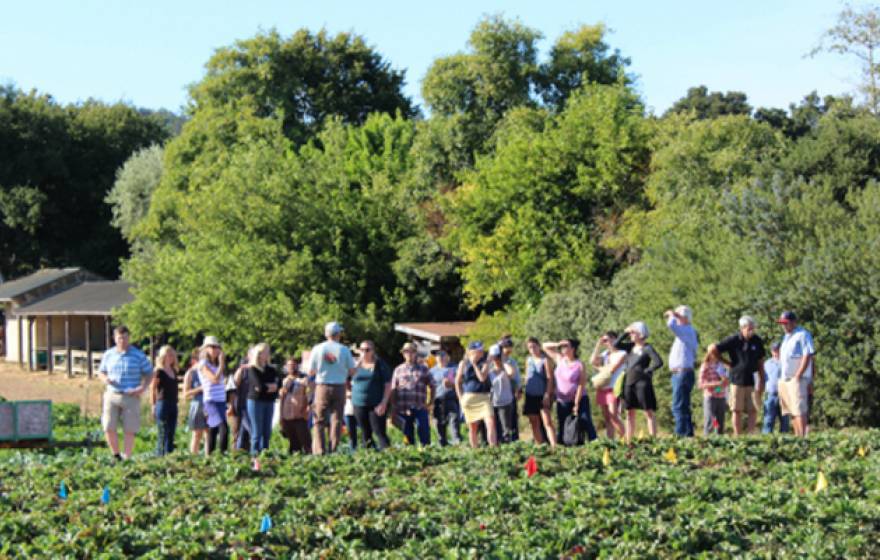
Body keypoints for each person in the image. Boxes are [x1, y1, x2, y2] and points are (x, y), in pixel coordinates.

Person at [97, 325, 153, 461]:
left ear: (129, 338)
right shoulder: (109, 354)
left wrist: (143, 387)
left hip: (131, 395)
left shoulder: (138, 355)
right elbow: (101, 371)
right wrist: (106, 379)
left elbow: (149, 373)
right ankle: (116, 455)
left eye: (125, 338)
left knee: (130, 428)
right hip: (112, 394)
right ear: (115, 339)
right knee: (108, 426)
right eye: (120, 338)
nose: (122, 340)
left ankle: (127, 457)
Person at [709, 316, 765, 436]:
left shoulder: (757, 340)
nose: (752, 331)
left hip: (753, 379)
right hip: (736, 379)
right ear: (742, 328)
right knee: (736, 409)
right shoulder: (734, 339)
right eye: (749, 328)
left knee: (753, 409)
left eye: (753, 328)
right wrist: (726, 362)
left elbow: (761, 361)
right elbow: (713, 348)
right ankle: (737, 435)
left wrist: (762, 379)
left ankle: (750, 435)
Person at [308, 322, 356, 455]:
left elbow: (311, 371)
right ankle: (333, 449)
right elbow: (352, 372)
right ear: (338, 334)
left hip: (322, 386)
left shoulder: (318, 348)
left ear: (326, 334)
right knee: (337, 420)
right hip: (339, 386)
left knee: (319, 420)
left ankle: (319, 450)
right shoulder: (344, 350)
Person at [614, 323, 663, 444]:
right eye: (630, 334)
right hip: (629, 383)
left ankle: (653, 440)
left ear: (640, 334)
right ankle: (629, 441)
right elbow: (616, 344)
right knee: (629, 412)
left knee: (648, 411)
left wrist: (648, 371)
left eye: (633, 333)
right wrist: (625, 332)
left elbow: (658, 362)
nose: (631, 335)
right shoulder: (630, 347)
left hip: (642, 383)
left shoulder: (647, 348)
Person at [543, 339, 598, 446]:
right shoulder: (560, 359)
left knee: (585, 420)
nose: (563, 348)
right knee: (563, 423)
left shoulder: (579, 364)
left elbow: (581, 384)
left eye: (566, 346)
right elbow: (544, 346)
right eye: (562, 347)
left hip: (579, 398)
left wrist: (576, 403)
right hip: (562, 400)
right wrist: (558, 343)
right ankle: (564, 446)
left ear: (573, 349)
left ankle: (594, 443)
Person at [777, 311, 815, 438]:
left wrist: (798, 375)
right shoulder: (786, 337)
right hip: (785, 378)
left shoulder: (802, 335)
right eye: (782, 323)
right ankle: (797, 436)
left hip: (798, 378)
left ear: (793, 322)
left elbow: (807, 354)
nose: (784, 326)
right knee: (791, 410)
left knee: (799, 409)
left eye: (786, 323)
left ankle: (803, 437)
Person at [455, 341, 498, 448]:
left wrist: (474, 364)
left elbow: (482, 378)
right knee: (473, 427)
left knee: (490, 422)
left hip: (483, 398)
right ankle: (475, 450)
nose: (481, 352)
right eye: (478, 350)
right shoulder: (463, 363)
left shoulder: (485, 362)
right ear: (471, 351)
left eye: (481, 350)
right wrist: (460, 398)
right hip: (469, 397)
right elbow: (457, 381)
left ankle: (493, 448)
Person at [392, 342, 436, 446]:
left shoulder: (423, 369)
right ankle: (410, 456)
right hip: (404, 408)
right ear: (403, 354)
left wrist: (430, 403)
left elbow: (433, 385)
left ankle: (427, 454)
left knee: (424, 432)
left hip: (420, 407)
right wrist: (394, 407)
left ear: (416, 353)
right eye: (406, 351)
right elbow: (393, 389)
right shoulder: (398, 370)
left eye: (412, 351)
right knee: (407, 435)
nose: (409, 354)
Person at [351, 340, 393, 450]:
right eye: (362, 349)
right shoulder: (355, 364)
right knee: (365, 433)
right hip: (359, 403)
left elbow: (388, 384)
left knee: (379, 431)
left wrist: (384, 402)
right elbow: (346, 377)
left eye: (367, 350)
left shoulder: (380, 364)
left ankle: (389, 454)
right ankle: (369, 456)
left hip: (376, 404)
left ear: (373, 351)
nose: (364, 352)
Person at [665, 306, 698, 437]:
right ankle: (688, 433)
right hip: (681, 373)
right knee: (683, 405)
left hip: (682, 373)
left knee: (677, 406)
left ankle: (680, 434)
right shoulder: (687, 332)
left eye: (679, 316)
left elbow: (671, 325)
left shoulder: (686, 331)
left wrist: (672, 315)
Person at [244, 343, 279, 455]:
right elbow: (259, 386)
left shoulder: (271, 369)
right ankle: (254, 456)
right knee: (256, 431)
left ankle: (265, 454)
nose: (268, 354)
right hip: (255, 401)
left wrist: (269, 387)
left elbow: (277, 385)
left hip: (269, 402)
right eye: (265, 351)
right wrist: (269, 387)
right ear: (259, 354)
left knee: (267, 431)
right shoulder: (252, 369)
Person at [589, 332, 626, 439]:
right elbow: (592, 361)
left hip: (613, 387)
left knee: (613, 415)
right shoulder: (605, 354)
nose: (606, 343)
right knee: (607, 417)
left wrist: (600, 368)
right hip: (603, 387)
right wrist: (598, 345)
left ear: (615, 339)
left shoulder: (622, 353)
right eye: (604, 341)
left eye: (608, 340)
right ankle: (611, 441)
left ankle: (625, 439)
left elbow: (612, 370)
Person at [523, 337, 557, 447]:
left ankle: (554, 446)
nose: (532, 349)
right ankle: (539, 445)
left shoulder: (545, 360)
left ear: (538, 346)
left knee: (547, 421)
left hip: (542, 394)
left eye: (534, 346)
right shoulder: (528, 360)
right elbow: (527, 376)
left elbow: (549, 378)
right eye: (530, 347)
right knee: (534, 422)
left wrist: (547, 394)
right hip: (530, 394)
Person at [198, 336, 228, 454]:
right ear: (206, 349)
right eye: (212, 347)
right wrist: (221, 364)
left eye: (217, 347)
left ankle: (210, 455)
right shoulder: (203, 364)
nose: (215, 349)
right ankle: (222, 455)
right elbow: (214, 379)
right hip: (211, 400)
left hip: (221, 400)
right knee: (223, 428)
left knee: (213, 429)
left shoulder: (216, 365)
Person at [150, 345, 179, 456]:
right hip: (162, 403)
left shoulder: (173, 371)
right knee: (163, 432)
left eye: (172, 355)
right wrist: (153, 405)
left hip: (173, 404)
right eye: (168, 354)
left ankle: (169, 455)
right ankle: (160, 456)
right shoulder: (159, 371)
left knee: (171, 433)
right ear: (163, 356)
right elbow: (153, 389)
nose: (171, 357)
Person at [429, 350, 462, 446]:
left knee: (454, 421)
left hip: (452, 399)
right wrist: (430, 402)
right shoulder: (431, 371)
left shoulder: (454, 368)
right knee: (439, 423)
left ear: (448, 356)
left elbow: (461, 381)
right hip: (438, 401)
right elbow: (429, 388)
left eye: (443, 355)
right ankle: (442, 444)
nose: (440, 357)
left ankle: (457, 442)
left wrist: (451, 384)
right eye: (438, 355)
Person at [486, 344, 517, 443]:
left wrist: (503, 361)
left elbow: (511, 373)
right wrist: (489, 361)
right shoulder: (489, 369)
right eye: (494, 357)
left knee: (506, 429)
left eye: (497, 357)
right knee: (494, 428)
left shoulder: (506, 367)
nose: (495, 359)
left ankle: (507, 447)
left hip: (505, 403)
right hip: (492, 402)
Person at [182, 347, 208, 454]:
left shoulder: (209, 371)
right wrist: (200, 389)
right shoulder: (191, 373)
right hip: (197, 405)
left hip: (209, 404)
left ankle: (208, 459)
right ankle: (193, 459)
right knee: (197, 434)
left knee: (209, 434)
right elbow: (185, 394)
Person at [698, 349, 729, 436]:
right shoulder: (705, 366)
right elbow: (700, 384)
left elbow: (725, 383)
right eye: (714, 353)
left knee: (720, 423)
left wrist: (720, 386)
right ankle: (707, 440)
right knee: (710, 421)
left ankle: (719, 441)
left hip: (721, 397)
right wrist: (715, 384)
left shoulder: (722, 366)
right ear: (709, 353)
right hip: (710, 397)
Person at [762, 343, 790, 434]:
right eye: (774, 350)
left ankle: (785, 443)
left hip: (784, 395)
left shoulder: (787, 362)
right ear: (771, 351)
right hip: (771, 395)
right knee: (768, 420)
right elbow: (762, 378)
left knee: (785, 421)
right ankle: (766, 441)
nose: (776, 352)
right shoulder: (766, 363)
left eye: (777, 349)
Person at [499, 336, 521, 441]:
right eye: (506, 347)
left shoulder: (512, 362)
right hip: (497, 393)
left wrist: (518, 390)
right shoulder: (495, 361)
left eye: (509, 347)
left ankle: (514, 439)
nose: (508, 349)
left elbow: (516, 378)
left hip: (510, 391)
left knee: (512, 417)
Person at [230, 356, 252, 452]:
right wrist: (231, 406)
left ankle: (245, 456)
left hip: (250, 407)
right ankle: (235, 457)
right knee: (237, 434)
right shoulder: (241, 372)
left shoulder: (255, 372)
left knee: (246, 435)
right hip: (239, 407)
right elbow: (233, 386)